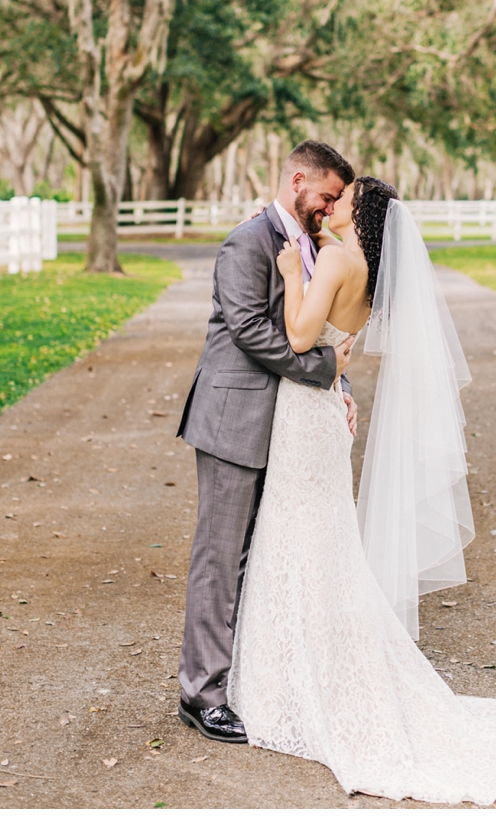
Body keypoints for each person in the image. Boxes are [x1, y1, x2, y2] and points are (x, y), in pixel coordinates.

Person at [227, 176, 496, 805]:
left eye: (340, 201)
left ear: (358, 214)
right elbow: (337, 339)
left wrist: (287, 272)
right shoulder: (368, 273)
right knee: (322, 540)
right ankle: (309, 671)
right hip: (327, 411)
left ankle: (293, 684)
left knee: (299, 537)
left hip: (304, 415)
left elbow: (300, 337)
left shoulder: (332, 258)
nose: (329, 207)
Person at [175, 140, 357, 743]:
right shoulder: (246, 242)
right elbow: (252, 329)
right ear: (298, 180)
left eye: (336, 201)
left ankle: (246, 680)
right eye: (325, 196)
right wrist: (323, 372)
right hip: (233, 420)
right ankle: (201, 695)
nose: (329, 209)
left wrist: (340, 381)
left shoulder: (307, 245)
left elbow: (311, 324)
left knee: (259, 555)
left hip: (283, 422)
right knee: (219, 560)